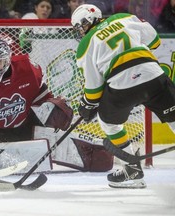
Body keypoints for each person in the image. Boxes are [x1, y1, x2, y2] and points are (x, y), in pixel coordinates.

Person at [71, 4, 175, 188]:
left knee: (108, 122)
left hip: (122, 87)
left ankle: (132, 169)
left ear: (90, 20)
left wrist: (87, 106)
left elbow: (94, 90)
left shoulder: (86, 44)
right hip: (153, 75)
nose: (81, 30)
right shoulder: (123, 18)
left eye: (81, 25)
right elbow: (155, 41)